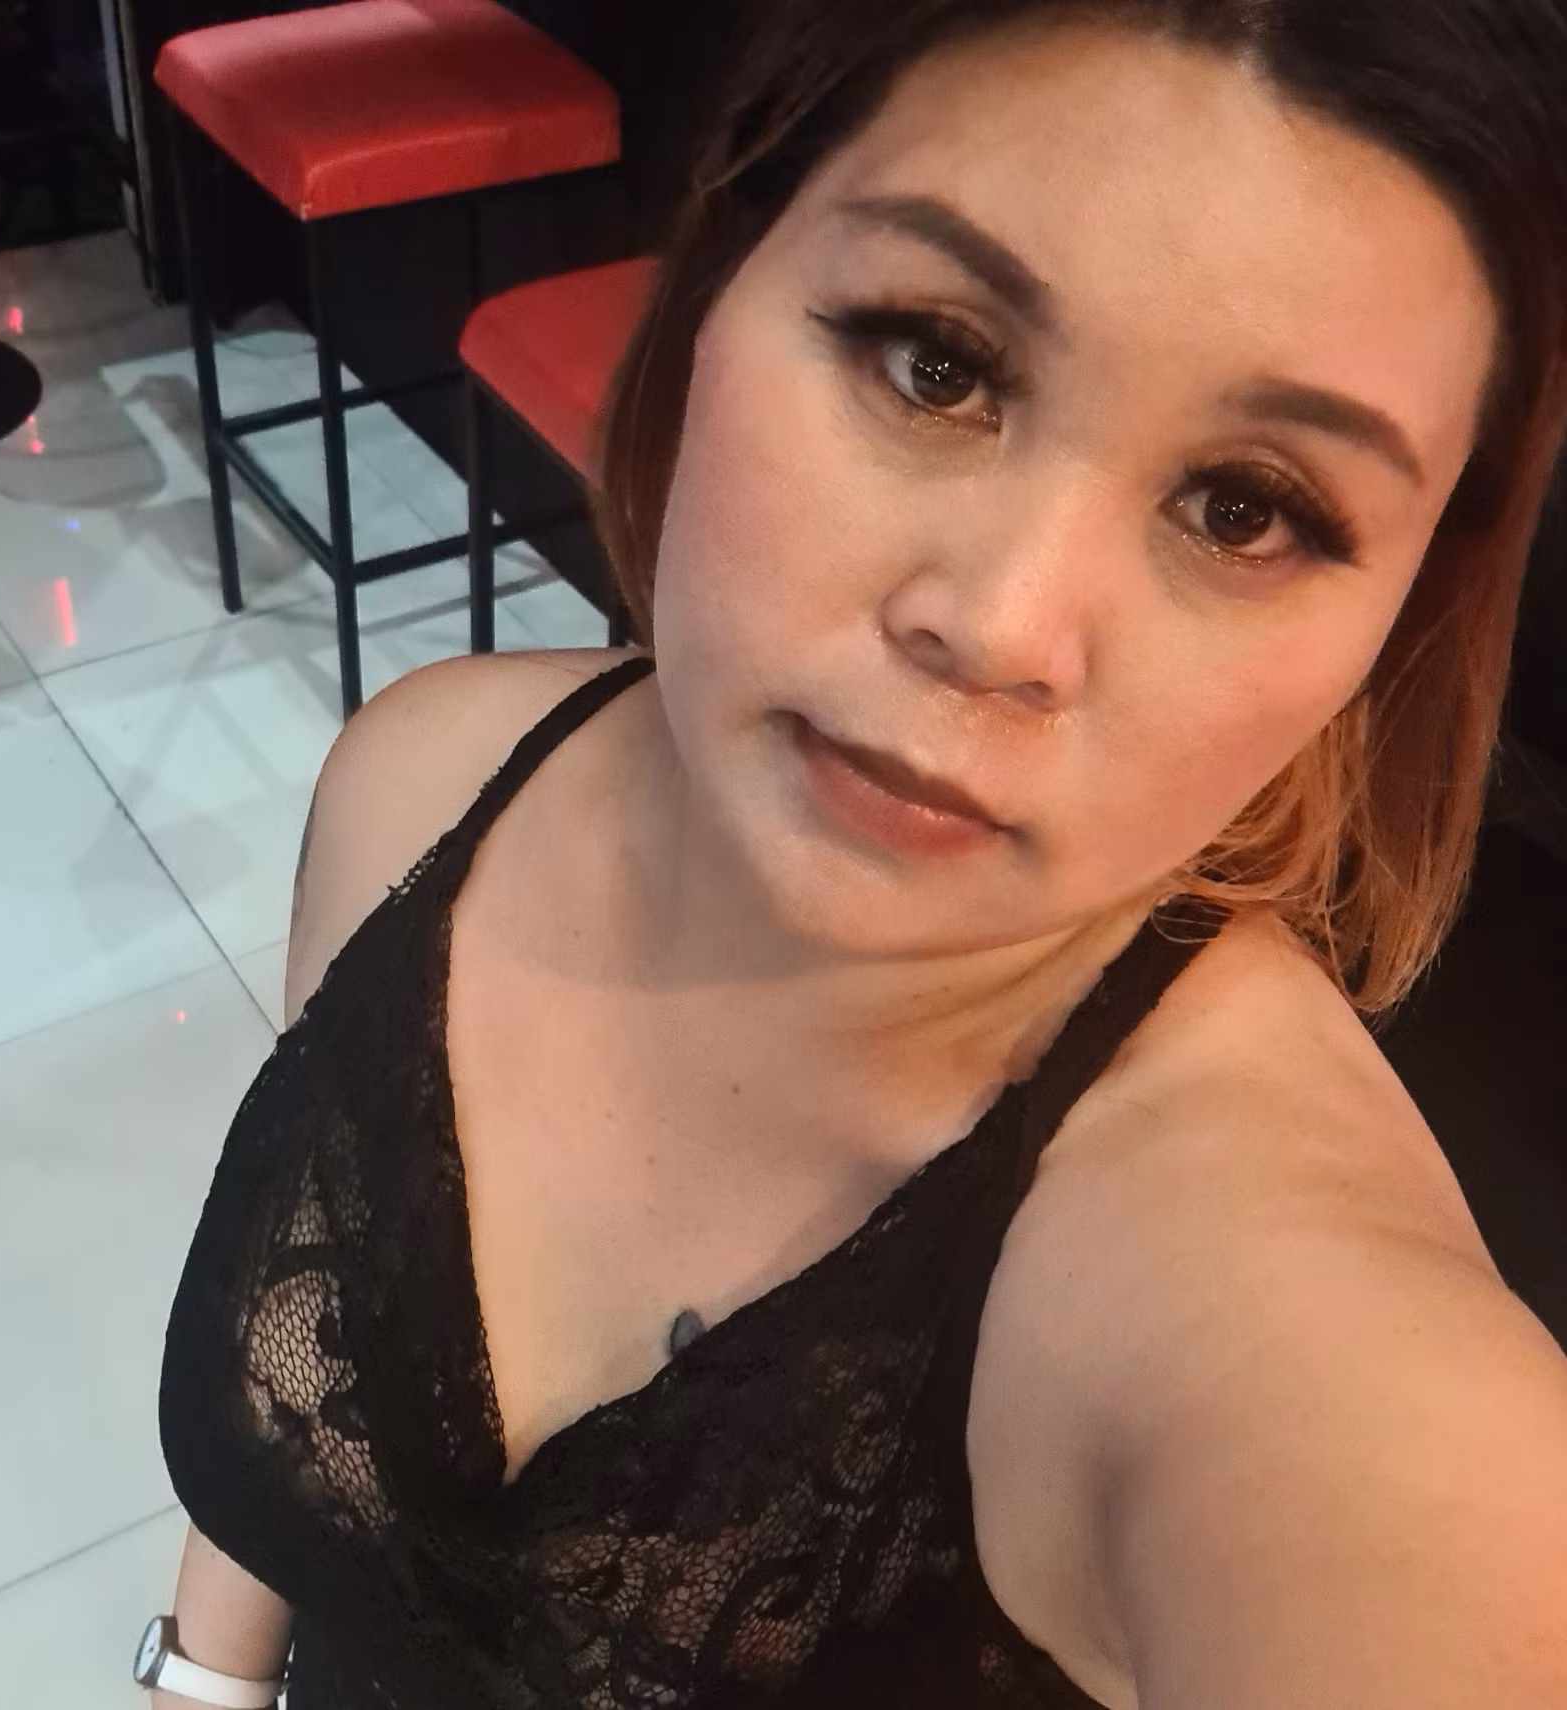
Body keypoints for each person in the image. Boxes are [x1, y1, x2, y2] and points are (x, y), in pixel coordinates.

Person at [142, 3, 1567, 1707]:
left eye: (1242, 508)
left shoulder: (1282, 1331)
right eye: (934, 362)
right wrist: (198, 1682)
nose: (1000, 624)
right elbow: (291, 1394)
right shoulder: (422, 779)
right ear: (718, 272)